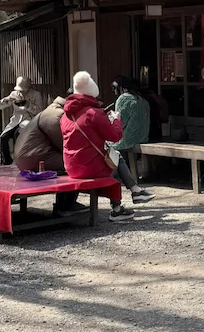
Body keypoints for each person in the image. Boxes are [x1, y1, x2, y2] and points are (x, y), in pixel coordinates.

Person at [60, 71, 153, 221]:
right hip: (89, 167)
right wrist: (116, 120)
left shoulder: (65, 116)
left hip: (71, 166)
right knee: (115, 160)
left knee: (113, 160)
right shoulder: (94, 113)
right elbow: (115, 135)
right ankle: (121, 204)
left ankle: (131, 196)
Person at [13, 92, 85, 218]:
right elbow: (64, 145)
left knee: (68, 162)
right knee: (75, 164)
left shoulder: (52, 110)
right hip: (34, 157)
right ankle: (66, 205)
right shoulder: (57, 115)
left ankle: (63, 204)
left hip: (30, 156)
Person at [111, 76, 151, 182]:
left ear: (121, 88)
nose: (114, 92)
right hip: (143, 136)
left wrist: (111, 118)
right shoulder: (140, 98)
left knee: (106, 142)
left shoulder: (124, 98)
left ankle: (115, 174)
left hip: (130, 137)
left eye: (114, 88)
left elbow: (121, 122)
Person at [0, 76, 43, 164]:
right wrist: (5, 101)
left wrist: (28, 105)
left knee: (19, 135)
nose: (21, 92)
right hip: (16, 120)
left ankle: (21, 160)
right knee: (3, 137)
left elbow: (40, 111)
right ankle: (6, 162)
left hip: (29, 119)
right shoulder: (14, 94)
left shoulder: (36, 95)